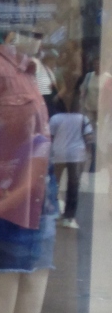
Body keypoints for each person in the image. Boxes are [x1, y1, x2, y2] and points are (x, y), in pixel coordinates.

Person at [49, 97, 93, 229]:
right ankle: (69, 215)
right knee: (73, 185)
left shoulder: (55, 118)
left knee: (54, 183)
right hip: (76, 155)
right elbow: (89, 137)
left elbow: (49, 137)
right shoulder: (82, 118)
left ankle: (53, 211)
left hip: (58, 154)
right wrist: (88, 155)